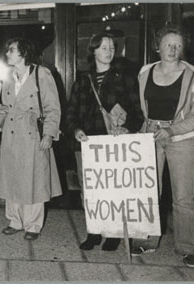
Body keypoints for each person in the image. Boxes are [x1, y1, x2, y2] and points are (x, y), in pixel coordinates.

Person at [130, 25, 194, 268]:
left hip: (182, 141)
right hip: (151, 138)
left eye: (177, 45)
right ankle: (145, 240)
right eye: (168, 44)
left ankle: (188, 249)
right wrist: (140, 130)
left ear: (183, 48)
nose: (172, 49)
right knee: (149, 192)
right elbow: (140, 108)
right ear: (158, 46)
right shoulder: (145, 72)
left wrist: (172, 130)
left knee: (183, 197)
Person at [65, 33, 144, 251]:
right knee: (88, 190)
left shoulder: (125, 77)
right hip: (87, 143)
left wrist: (128, 128)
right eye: (103, 48)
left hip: (113, 144)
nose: (108, 52)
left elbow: (138, 113)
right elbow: (70, 113)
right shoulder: (82, 80)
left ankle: (112, 233)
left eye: (111, 47)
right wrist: (76, 130)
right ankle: (93, 231)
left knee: (112, 188)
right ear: (93, 51)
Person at [0, 38, 62, 241]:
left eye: (11, 50)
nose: (7, 54)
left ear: (23, 53)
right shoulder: (8, 77)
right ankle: (15, 220)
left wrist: (48, 134)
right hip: (11, 135)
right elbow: (4, 106)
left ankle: (33, 224)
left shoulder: (41, 74)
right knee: (12, 179)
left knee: (34, 180)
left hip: (32, 136)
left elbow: (52, 108)